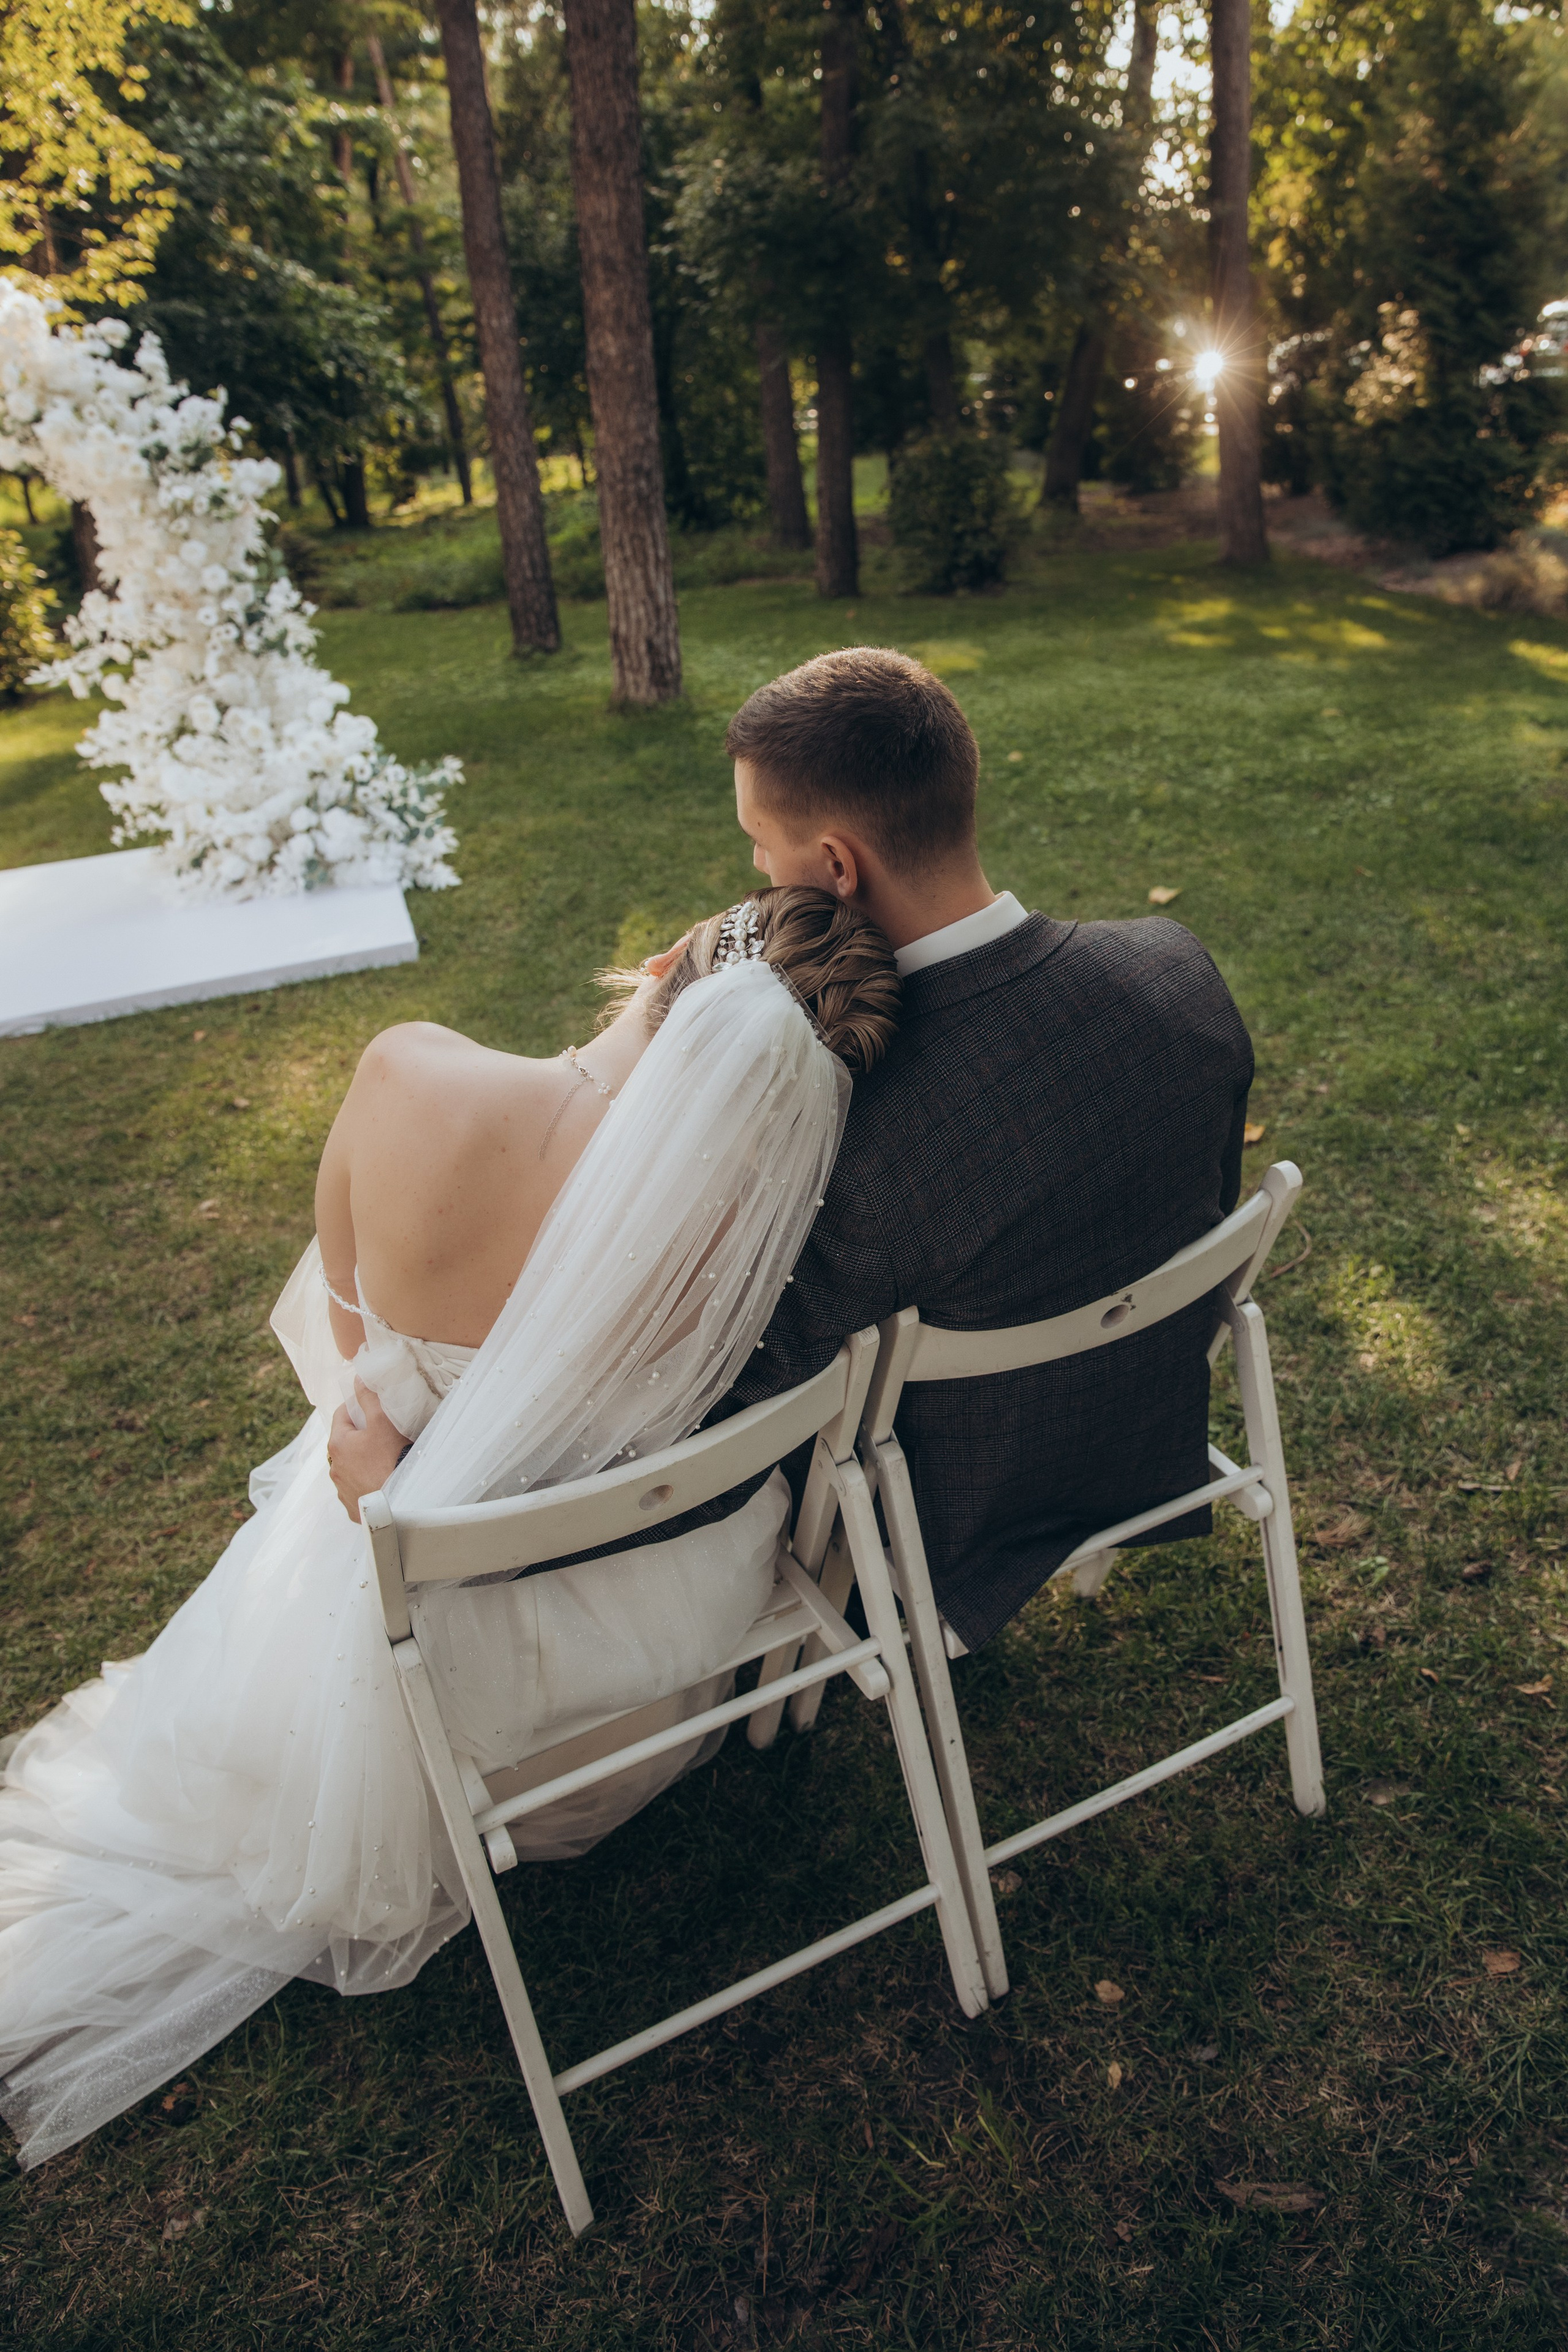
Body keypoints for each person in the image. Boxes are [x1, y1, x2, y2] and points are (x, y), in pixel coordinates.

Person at [0, 886, 899, 2172]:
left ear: (660, 963)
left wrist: (402, 1474)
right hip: (630, 1697)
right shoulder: (752, 1239)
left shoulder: (409, 1073)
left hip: (417, 1660)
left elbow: (346, 1339)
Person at [336, 649, 1253, 1648]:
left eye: (761, 846)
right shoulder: (1175, 970)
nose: (757, 875)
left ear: (837, 867)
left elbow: (707, 1441)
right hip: (1146, 1428)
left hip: (959, 1529)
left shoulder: (839, 1149)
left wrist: (425, 1507)